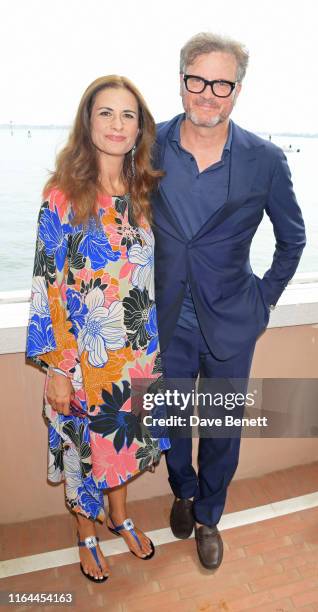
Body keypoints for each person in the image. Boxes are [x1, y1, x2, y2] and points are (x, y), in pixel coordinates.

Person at [152, 32, 307, 569]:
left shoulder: (264, 160)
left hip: (231, 326)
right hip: (164, 323)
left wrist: (261, 302)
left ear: (237, 90)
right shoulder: (147, 145)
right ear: (182, 82)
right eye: (198, 80)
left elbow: (292, 240)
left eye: (222, 83)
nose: (208, 94)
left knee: (221, 431)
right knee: (167, 421)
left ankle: (208, 516)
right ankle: (183, 489)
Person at [26, 75, 170, 582]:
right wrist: (59, 369)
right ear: (88, 122)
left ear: (139, 128)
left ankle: (120, 516)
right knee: (85, 452)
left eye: (127, 114)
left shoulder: (143, 192)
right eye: (105, 112)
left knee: (123, 446)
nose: (117, 124)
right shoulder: (62, 194)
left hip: (136, 355)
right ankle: (85, 536)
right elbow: (48, 284)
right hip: (84, 357)